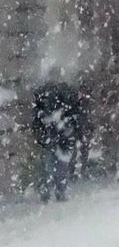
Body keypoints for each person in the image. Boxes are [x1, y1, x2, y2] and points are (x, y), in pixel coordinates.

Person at [31, 68, 81, 202]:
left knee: (58, 165)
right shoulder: (44, 92)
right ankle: (49, 191)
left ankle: (56, 191)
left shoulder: (63, 92)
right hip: (50, 134)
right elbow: (37, 112)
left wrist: (65, 123)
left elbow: (73, 111)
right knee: (50, 165)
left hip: (59, 134)